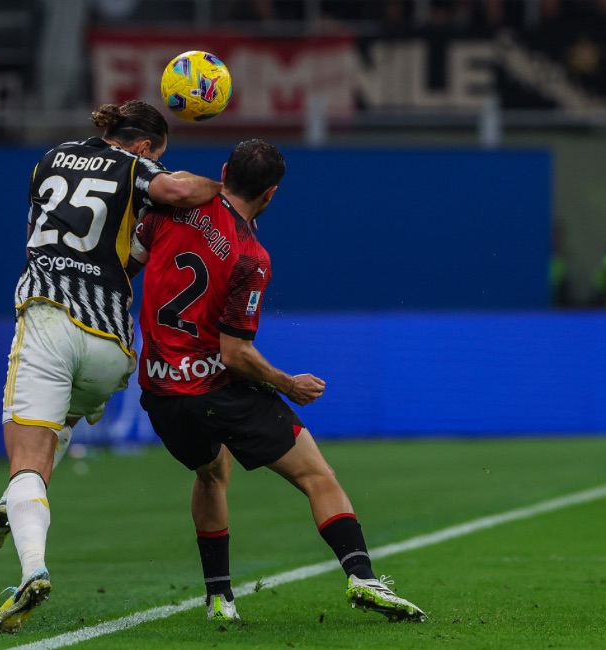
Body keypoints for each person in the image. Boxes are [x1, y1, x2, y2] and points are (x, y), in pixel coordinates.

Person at [126, 139, 427, 623]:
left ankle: (220, 600)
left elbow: (125, 267)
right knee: (317, 476)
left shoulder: (170, 207)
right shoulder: (252, 257)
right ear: (271, 193)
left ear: (224, 171)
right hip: (217, 389)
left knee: (211, 473)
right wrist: (290, 384)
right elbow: (235, 353)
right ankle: (363, 577)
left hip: (161, 391)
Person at [0, 99, 222, 634]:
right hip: (110, 345)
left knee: (28, 460)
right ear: (146, 146)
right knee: (62, 423)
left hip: (48, 320)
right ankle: (10, 506)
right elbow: (176, 193)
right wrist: (226, 186)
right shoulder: (136, 167)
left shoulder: (48, 160)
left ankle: (31, 569)